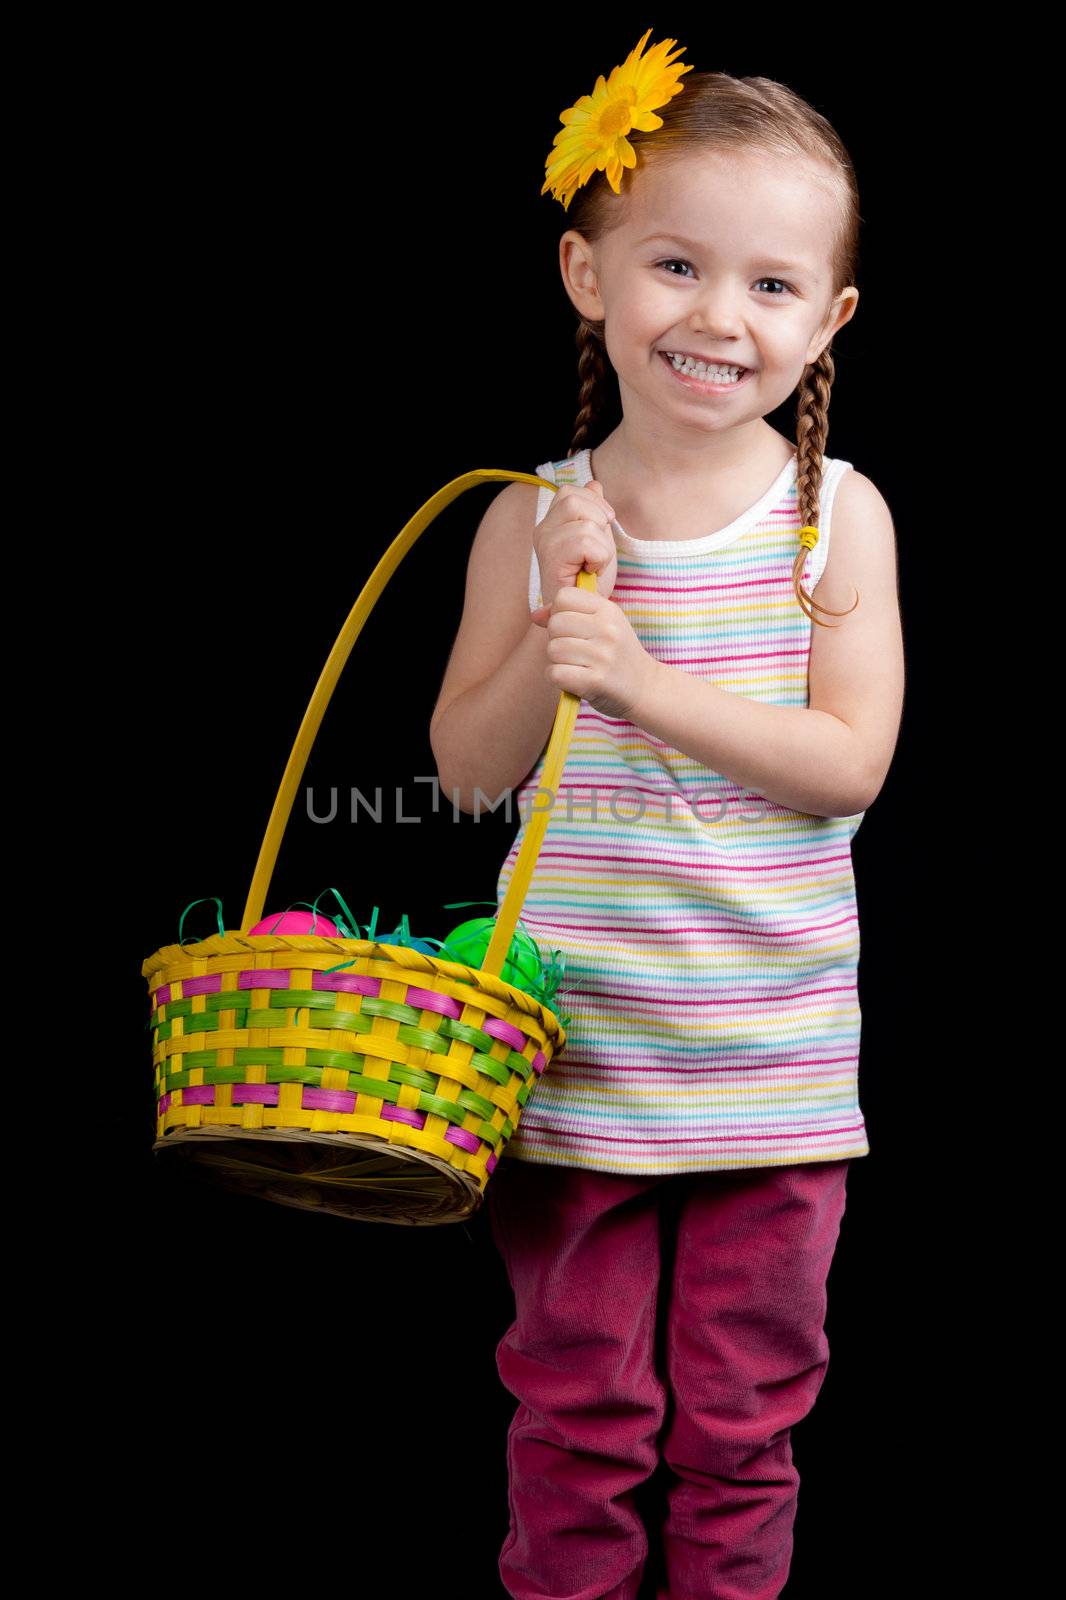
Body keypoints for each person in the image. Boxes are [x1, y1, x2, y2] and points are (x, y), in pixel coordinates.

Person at [430, 33, 904, 1600]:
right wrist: (567, 608)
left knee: (742, 1418)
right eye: (675, 264)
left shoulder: (834, 515)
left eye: (771, 285)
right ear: (587, 274)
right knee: (575, 1410)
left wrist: (634, 680)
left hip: (765, 1065)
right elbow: (464, 773)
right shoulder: (529, 509)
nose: (717, 317)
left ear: (826, 320)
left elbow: (847, 764)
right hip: (572, 1064)